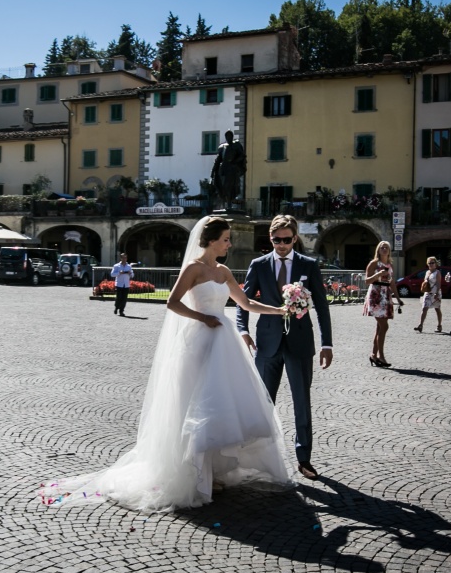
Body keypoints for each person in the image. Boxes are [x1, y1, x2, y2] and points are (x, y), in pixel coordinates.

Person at [41, 216, 293, 512]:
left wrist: (279, 310)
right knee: (195, 402)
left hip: (223, 340)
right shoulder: (193, 269)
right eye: (225, 238)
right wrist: (203, 318)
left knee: (221, 404)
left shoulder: (223, 271)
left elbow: (246, 303)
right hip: (200, 339)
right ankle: (193, 472)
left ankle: (212, 471)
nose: (229, 243)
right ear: (211, 240)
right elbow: (172, 302)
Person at [237, 214, 333, 480]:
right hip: (267, 343)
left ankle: (304, 459)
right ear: (270, 238)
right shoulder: (258, 265)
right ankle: (261, 458)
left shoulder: (309, 265)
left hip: (300, 344)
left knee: (302, 402)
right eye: (277, 240)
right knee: (262, 403)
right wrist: (242, 330)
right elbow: (243, 301)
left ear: (295, 238)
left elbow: (322, 307)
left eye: (287, 240)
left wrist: (327, 343)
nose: (281, 245)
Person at [363, 241, 403, 366]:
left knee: (380, 327)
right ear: (378, 250)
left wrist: (398, 298)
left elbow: (392, 283)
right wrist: (378, 274)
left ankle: (374, 355)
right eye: (382, 247)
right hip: (375, 295)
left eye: (386, 247)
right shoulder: (374, 263)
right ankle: (381, 356)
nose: (384, 249)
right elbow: (367, 281)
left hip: (385, 296)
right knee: (384, 326)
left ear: (389, 251)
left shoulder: (390, 264)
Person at [210, 130, 245, 210]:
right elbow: (217, 160)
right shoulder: (222, 147)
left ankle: (229, 204)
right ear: (225, 137)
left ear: (232, 137)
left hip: (232, 169)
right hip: (223, 170)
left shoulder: (236, 145)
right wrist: (212, 172)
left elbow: (242, 156)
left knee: (230, 187)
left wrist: (235, 161)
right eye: (227, 136)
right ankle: (224, 204)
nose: (229, 137)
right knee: (222, 187)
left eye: (230, 136)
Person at [414, 257, 443, 333]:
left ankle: (439, 325)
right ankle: (420, 325)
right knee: (424, 308)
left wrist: (437, 293)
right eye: (429, 263)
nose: (431, 264)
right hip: (427, 293)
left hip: (435, 293)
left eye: (432, 263)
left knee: (437, 309)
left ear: (435, 264)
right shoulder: (427, 272)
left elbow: (438, 283)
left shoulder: (437, 272)